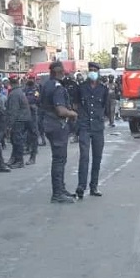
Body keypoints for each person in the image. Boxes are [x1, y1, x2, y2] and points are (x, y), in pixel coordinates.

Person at [41, 61, 78, 203]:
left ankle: (60, 189)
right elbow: (61, 110)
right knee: (59, 160)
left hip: (49, 124)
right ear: (58, 72)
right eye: (62, 71)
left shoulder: (46, 85)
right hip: (57, 125)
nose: (64, 73)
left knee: (59, 159)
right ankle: (57, 194)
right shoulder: (57, 88)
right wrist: (73, 113)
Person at [75, 62, 108, 199]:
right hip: (84, 126)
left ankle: (93, 186)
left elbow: (105, 107)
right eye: (91, 70)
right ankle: (81, 186)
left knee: (97, 158)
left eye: (95, 70)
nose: (93, 72)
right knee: (84, 157)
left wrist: (103, 119)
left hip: (98, 128)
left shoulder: (103, 89)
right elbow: (75, 105)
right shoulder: (81, 88)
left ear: (98, 72)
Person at [5, 74, 32, 169]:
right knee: (16, 140)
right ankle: (16, 159)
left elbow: (13, 110)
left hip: (18, 120)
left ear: (10, 83)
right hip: (22, 119)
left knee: (17, 140)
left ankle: (19, 161)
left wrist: (9, 125)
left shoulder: (14, 94)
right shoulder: (18, 91)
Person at [23, 74, 40, 165]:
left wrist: (28, 101)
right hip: (25, 112)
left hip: (33, 112)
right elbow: (23, 98)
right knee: (25, 133)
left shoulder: (36, 89)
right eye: (29, 78)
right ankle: (27, 147)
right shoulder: (25, 88)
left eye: (32, 78)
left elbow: (36, 98)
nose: (31, 80)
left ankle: (33, 154)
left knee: (34, 133)